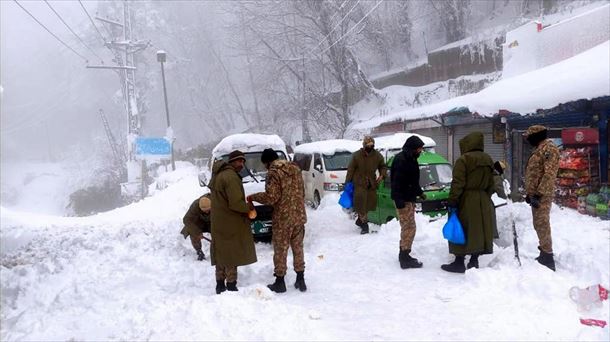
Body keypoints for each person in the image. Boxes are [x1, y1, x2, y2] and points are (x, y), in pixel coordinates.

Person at [248, 149, 307, 293]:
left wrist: (253, 197)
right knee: (298, 248)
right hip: (299, 216)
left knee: (280, 250)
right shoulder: (295, 168)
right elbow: (303, 192)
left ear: (267, 162)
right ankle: (301, 279)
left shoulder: (273, 173)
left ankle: (280, 282)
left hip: (283, 219)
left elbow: (271, 197)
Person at [441, 132, 496, 273]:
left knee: (462, 227)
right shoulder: (488, 159)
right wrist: (484, 196)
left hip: (466, 199)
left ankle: (459, 262)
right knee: (478, 230)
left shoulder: (464, 160)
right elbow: (492, 183)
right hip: (483, 199)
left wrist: (453, 200)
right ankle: (474, 261)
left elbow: (458, 183)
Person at [209, 150, 257, 294]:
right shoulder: (231, 177)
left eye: (243, 161)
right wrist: (249, 208)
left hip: (218, 220)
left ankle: (219, 284)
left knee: (221, 252)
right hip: (231, 221)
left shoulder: (218, 175)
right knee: (231, 253)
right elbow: (236, 203)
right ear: (231, 162)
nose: (241, 164)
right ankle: (231, 284)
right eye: (238, 161)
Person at [524, 125, 559, 271]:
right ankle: (544, 251)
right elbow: (535, 173)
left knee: (542, 223)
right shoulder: (539, 149)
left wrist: (538, 193)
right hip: (537, 194)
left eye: (530, 137)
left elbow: (549, 174)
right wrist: (530, 194)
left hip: (542, 195)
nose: (528, 140)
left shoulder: (549, 149)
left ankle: (548, 256)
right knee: (538, 223)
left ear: (537, 136)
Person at [390, 136, 426, 269]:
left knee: (409, 227)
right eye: (419, 148)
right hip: (403, 200)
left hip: (408, 198)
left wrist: (420, 193)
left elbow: (413, 181)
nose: (420, 151)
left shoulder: (411, 159)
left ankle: (404, 253)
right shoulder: (401, 160)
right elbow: (396, 182)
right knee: (409, 227)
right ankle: (404, 257)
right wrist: (399, 200)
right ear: (413, 148)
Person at [346, 136, 387, 234]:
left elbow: (383, 166)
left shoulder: (377, 155)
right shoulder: (356, 155)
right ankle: (364, 225)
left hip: (371, 184)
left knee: (369, 205)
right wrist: (347, 183)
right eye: (368, 145)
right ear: (364, 145)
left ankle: (360, 221)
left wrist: (382, 175)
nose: (370, 147)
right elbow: (350, 170)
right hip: (359, 183)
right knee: (360, 205)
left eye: (372, 145)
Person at [180, 195, 211, 261]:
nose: (207, 212)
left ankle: (219, 251)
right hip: (199, 222)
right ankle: (199, 252)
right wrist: (197, 232)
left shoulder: (216, 203)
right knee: (193, 233)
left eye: (208, 210)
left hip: (212, 222)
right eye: (205, 211)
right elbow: (186, 219)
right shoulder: (195, 206)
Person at [491, 161, 508, 239]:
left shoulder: (488, 173)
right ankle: (492, 236)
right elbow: (500, 192)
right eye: (503, 169)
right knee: (490, 218)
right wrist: (507, 198)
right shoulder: (496, 177)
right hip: (484, 200)